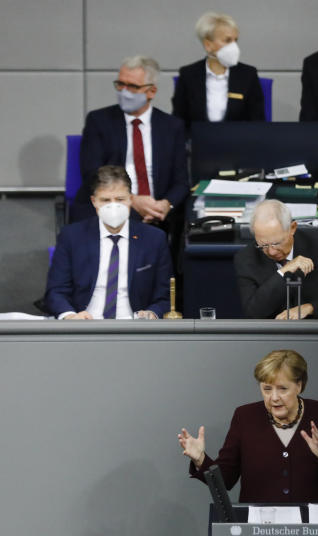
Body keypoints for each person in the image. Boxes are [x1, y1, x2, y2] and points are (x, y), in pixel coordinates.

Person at [178, 349, 318, 503]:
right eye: (267, 389)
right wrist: (200, 459)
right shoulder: (245, 417)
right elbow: (225, 479)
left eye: (282, 389)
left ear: (299, 385)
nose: (274, 397)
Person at [73, 56, 189, 233]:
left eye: (133, 87)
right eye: (120, 84)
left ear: (151, 91)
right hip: (111, 202)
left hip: (159, 209)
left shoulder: (172, 126)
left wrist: (166, 205)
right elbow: (93, 174)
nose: (124, 92)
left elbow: (181, 181)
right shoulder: (99, 121)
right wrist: (132, 200)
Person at [45, 165, 173, 319]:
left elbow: (165, 296)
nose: (114, 206)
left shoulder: (154, 239)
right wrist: (70, 316)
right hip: (85, 325)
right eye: (105, 200)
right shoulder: (72, 236)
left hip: (134, 328)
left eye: (120, 199)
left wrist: (152, 313)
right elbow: (56, 292)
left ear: (131, 200)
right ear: (94, 202)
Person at [233, 199, 318, 319]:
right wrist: (283, 272)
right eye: (263, 245)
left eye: (277, 243)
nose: (271, 251)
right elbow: (253, 313)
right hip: (273, 333)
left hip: (315, 331)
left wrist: (310, 307)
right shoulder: (246, 259)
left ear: (292, 228)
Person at [172, 11, 265, 129]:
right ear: (208, 45)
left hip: (237, 144)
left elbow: (258, 123)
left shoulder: (248, 75)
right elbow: (178, 122)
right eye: (227, 40)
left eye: (235, 40)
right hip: (198, 145)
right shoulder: (188, 75)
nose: (234, 47)